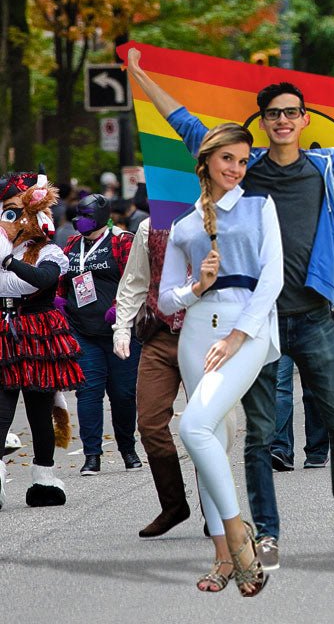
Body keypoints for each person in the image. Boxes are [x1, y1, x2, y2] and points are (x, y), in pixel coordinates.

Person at [127, 47, 334, 565]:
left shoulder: (326, 166)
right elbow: (186, 124)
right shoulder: (245, 169)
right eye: (274, 114)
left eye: (291, 112)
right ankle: (266, 533)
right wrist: (140, 77)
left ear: (305, 119)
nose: (283, 120)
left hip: (313, 317)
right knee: (261, 434)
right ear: (262, 123)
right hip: (257, 323)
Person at [159, 122, 280, 595]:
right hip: (195, 333)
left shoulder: (259, 206)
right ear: (207, 160)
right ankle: (222, 559)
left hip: (244, 330)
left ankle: (239, 540)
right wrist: (197, 287)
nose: (236, 168)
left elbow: (272, 278)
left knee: (193, 426)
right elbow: (166, 300)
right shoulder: (185, 225)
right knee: (210, 440)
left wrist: (237, 335)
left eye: (243, 160)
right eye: (228, 158)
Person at [0, 171, 81, 509]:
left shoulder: (49, 252)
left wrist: (7, 263)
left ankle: (44, 478)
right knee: (2, 412)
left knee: (39, 411)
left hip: (37, 334)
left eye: (15, 212)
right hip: (4, 332)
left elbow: (41, 281)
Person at [112, 219, 192, 537]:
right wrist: (121, 327)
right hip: (159, 337)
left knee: (206, 425)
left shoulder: (222, 217)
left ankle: (216, 508)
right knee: (149, 423)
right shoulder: (149, 227)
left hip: (204, 336)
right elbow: (134, 282)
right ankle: (173, 504)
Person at [60, 194, 141, 476]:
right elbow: (63, 279)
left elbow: (137, 280)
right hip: (83, 331)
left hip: (121, 331)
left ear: (100, 215)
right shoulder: (72, 244)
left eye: (85, 214)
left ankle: (128, 449)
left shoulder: (122, 241)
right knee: (88, 393)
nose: (78, 219)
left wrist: (120, 309)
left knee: (123, 394)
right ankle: (92, 454)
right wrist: (60, 301)